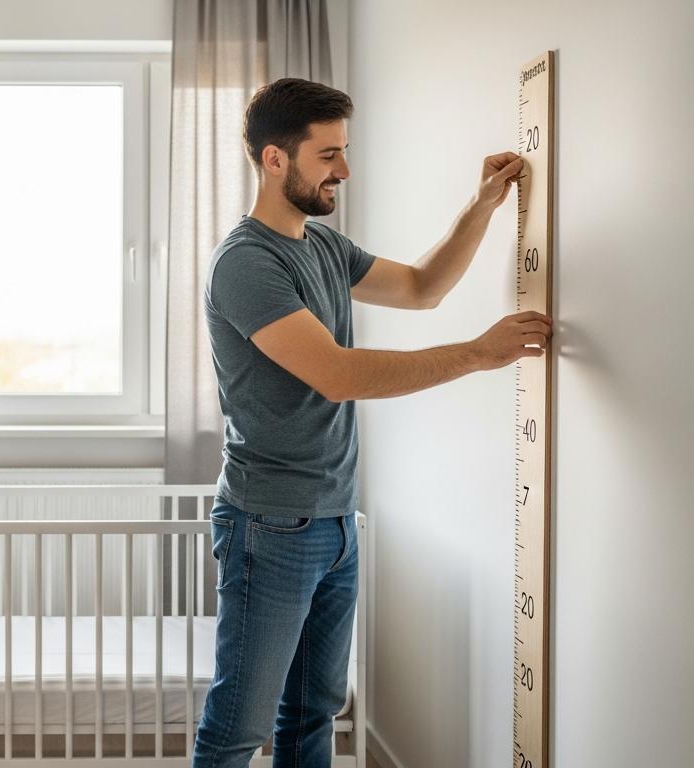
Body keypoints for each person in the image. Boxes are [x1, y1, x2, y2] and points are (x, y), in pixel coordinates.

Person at [191, 78, 551, 768]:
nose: (344, 171)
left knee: (312, 719)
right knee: (238, 729)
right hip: (269, 526)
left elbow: (422, 287)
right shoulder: (245, 264)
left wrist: (481, 206)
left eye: (345, 151)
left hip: (333, 520)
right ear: (274, 159)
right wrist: (478, 353)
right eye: (328, 155)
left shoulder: (324, 248)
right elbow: (338, 373)